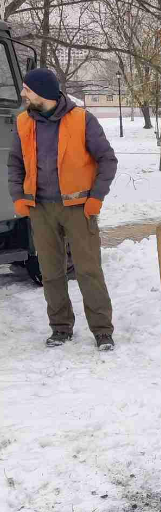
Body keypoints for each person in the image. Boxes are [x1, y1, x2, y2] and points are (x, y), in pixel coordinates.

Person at [6, 68, 117, 350]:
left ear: (42, 93)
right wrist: (19, 197)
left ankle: (102, 331)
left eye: (27, 90)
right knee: (50, 271)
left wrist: (96, 198)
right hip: (41, 209)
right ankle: (60, 328)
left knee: (88, 269)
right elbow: (15, 164)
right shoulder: (23, 122)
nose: (22, 94)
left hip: (78, 207)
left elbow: (107, 160)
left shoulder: (82, 120)